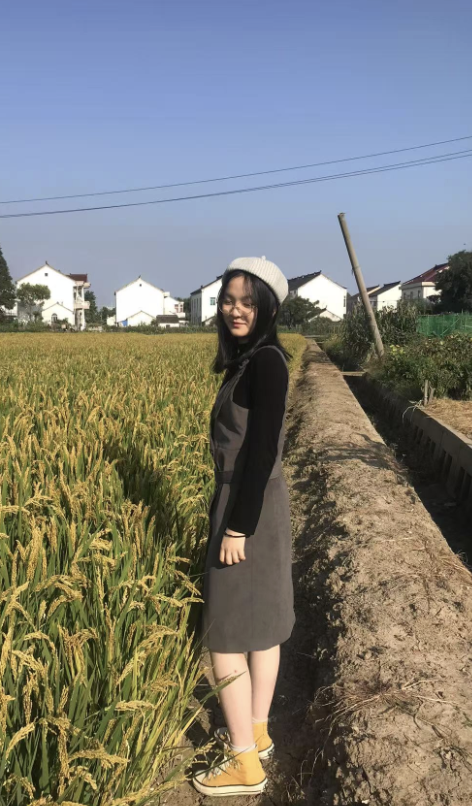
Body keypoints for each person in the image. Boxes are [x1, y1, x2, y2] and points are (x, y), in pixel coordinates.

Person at [192, 256, 295, 797]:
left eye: (248, 302)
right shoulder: (254, 360)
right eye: (229, 300)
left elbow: (261, 452)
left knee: (226, 634)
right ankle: (256, 732)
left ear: (267, 309)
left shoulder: (266, 364)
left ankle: (243, 763)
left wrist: (237, 528)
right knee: (263, 627)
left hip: (246, 505)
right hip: (257, 505)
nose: (236, 310)